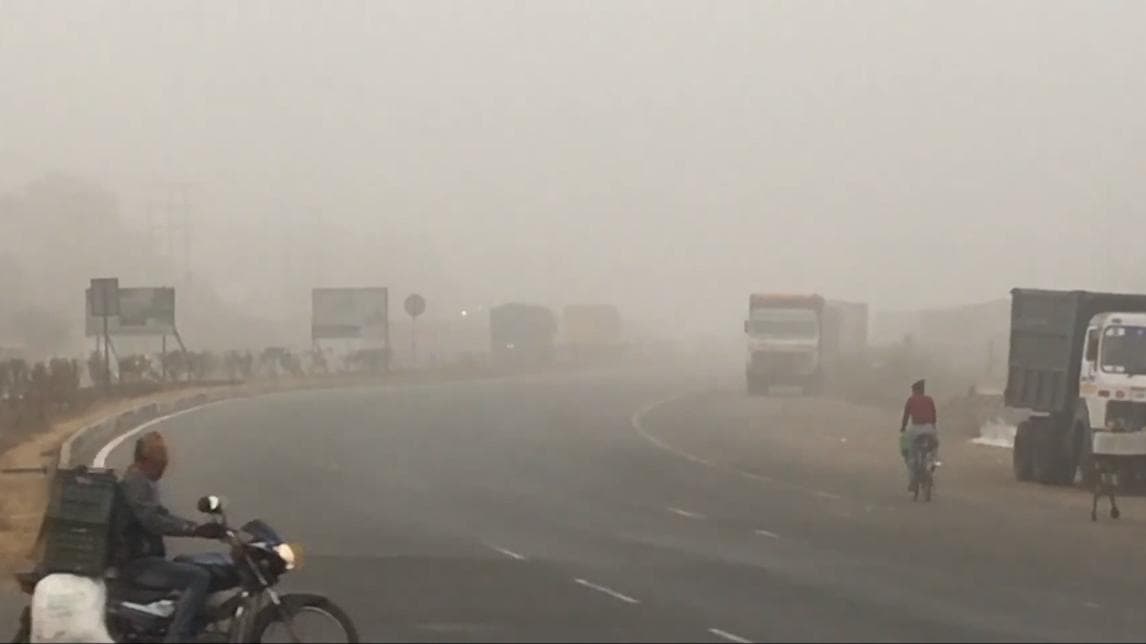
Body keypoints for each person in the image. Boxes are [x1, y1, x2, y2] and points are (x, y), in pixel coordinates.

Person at [117, 431, 226, 643]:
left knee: (189, 564)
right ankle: (178, 637)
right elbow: (153, 521)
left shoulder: (142, 480)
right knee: (198, 577)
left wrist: (198, 527)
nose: (162, 470)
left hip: (144, 558)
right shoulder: (136, 482)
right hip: (136, 563)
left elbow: (160, 514)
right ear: (146, 460)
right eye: (159, 464)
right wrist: (194, 530)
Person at [900, 379, 939, 490]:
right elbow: (934, 415)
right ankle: (933, 463)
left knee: (911, 456)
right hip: (929, 428)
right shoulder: (929, 399)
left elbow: (906, 416)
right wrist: (933, 428)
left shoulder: (911, 400)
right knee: (934, 448)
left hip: (915, 429)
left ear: (915, 390)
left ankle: (913, 481)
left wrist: (903, 428)